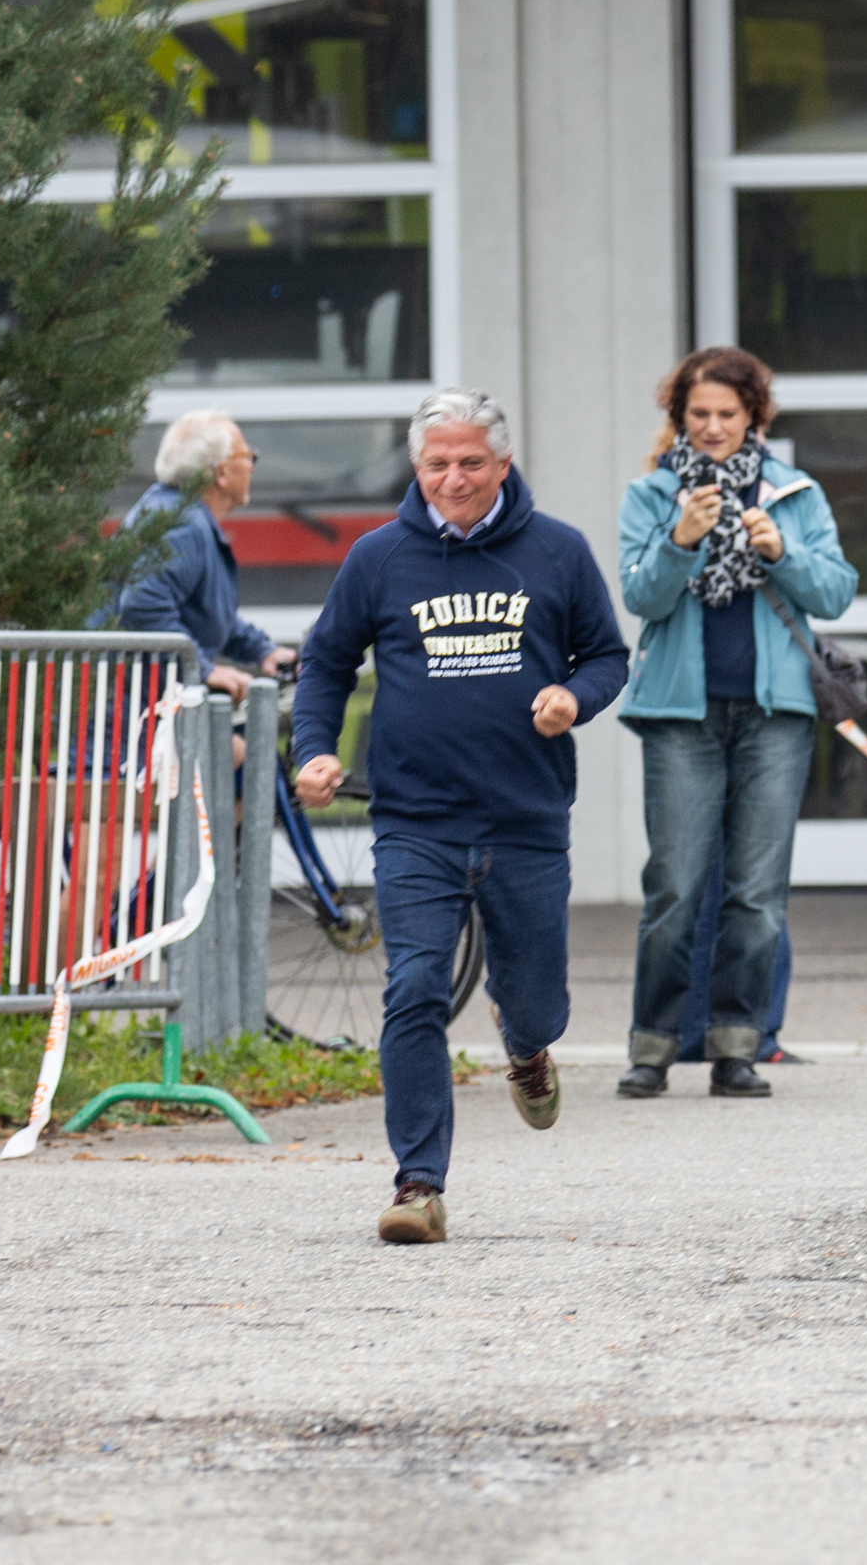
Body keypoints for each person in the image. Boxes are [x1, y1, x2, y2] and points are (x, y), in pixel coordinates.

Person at [293, 389, 629, 1246]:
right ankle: (418, 1184)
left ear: (503, 465)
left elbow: (607, 655)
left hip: (524, 815)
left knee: (536, 1000)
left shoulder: (557, 551)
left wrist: (574, 698)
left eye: (471, 462)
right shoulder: (378, 557)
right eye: (437, 463)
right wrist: (315, 750)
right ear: (417, 467)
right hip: (416, 819)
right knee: (414, 987)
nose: (454, 478)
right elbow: (327, 662)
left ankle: (526, 1044)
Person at [614, 347, 857, 1099]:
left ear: (754, 415)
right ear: (679, 417)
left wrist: (781, 551)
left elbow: (835, 593)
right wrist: (680, 541)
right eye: (699, 414)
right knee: (675, 886)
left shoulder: (795, 493)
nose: (713, 427)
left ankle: (738, 1050)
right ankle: (652, 1048)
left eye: (727, 413)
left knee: (756, 893)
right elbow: (641, 598)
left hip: (774, 717)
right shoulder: (652, 495)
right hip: (681, 716)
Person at [113, 411, 297, 704]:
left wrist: (262, 651)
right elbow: (142, 605)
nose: (251, 466)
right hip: (128, 716)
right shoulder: (182, 524)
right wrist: (203, 669)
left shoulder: (178, 513)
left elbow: (206, 612)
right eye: (247, 456)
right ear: (221, 473)